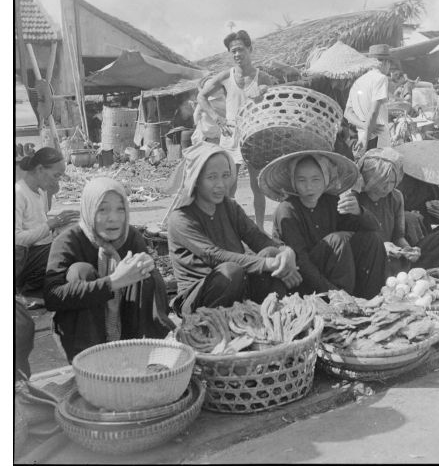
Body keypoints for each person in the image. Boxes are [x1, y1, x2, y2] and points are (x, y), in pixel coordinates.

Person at [44, 177, 174, 362]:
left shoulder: (131, 237)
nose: (113, 218)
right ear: (89, 209)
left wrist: (144, 266)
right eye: (102, 209)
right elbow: (52, 296)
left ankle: (147, 350)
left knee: (146, 270)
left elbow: (149, 289)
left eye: (120, 209)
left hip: (127, 328)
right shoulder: (68, 241)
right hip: (83, 336)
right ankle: (93, 363)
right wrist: (113, 282)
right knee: (80, 271)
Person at [168, 142, 301, 317]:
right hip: (200, 296)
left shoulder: (229, 206)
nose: (221, 184)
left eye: (225, 176)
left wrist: (284, 252)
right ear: (196, 180)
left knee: (271, 252)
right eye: (212, 177)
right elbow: (214, 255)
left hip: (239, 285)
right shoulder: (181, 218)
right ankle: (210, 327)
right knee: (231, 271)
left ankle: (273, 317)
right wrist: (267, 264)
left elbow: (256, 237)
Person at [264, 150, 387, 298]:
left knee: (372, 239)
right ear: (294, 183)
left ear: (325, 180)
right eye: (301, 180)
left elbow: (374, 227)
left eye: (315, 180)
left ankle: (371, 296)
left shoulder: (330, 202)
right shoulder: (287, 210)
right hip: (303, 278)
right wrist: (333, 293)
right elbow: (301, 260)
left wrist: (359, 212)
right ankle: (344, 303)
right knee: (337, 241)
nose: (309, 186)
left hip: (332, 272)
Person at [197, 30, 276, 230]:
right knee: (227, 185)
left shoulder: (263, 77)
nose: (237, 54)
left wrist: (266, 94)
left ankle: (258, 228)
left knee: (256, 186)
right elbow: (201, 97)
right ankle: (228, 227)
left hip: (254, 135)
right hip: (230, 136)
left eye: (241, 49)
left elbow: (277, 104)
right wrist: (217, 118)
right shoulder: (226, 76)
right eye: (233, 51)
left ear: (250, 49)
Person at [356, 148, 439, 273]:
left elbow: (398, 237)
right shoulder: (356, 199)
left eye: (392, 182)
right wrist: (381, 247)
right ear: (370, 179)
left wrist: (408, 249)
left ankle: (430, 276)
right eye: (382, 182)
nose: (387, 188)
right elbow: (353, 241)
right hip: (368, 262)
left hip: (395, 258)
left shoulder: (396, 197)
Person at [15, 148, 79, 302]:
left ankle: (42, 289)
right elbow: (16, 240)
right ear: (40, 169)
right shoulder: (18, 193)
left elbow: (39, 221)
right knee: (63, 248)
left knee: (75, 235)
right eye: (56, 175)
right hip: (21, 259)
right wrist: (51, 225)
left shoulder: (39, 191)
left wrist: (58, 226)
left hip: (35, 254)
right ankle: (28, 292)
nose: (57, 180)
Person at [344, 44, 392, 154]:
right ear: (384, 62)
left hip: (362, 137)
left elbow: (347, 112)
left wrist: (364, 127)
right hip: (378, 139)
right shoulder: (381, 78)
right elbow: (373, 111)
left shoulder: (358, 82)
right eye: (389, 62)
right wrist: (366, 137)